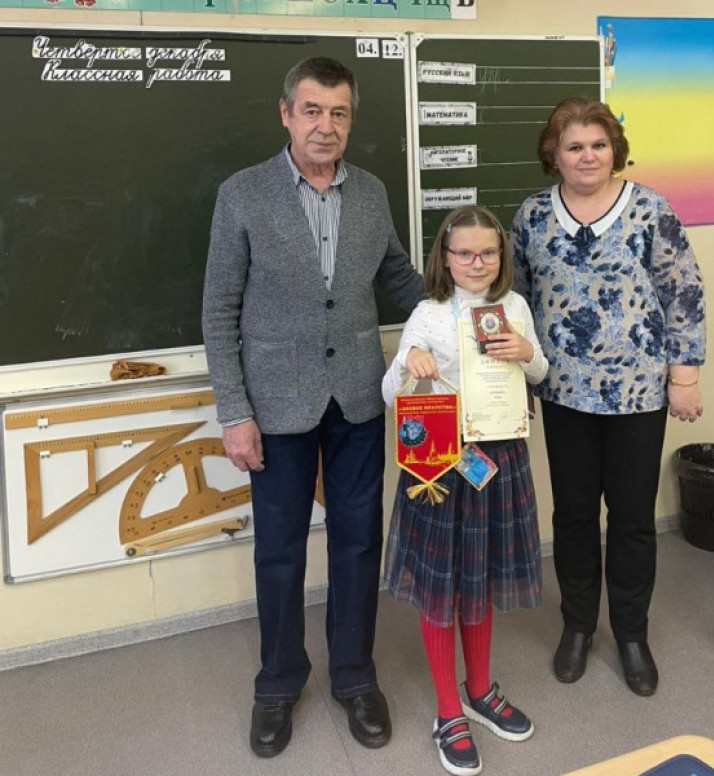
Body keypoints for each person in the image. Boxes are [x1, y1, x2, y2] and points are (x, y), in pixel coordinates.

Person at [202, 56, 424, 758]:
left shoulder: (372, 192)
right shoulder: (243, 194)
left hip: (357, 396)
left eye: (338, 113)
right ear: (286, 114)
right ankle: (277, 682)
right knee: (279, 549)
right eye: (311, 111)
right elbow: (219, 309)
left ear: (350, 120)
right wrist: (234, 413)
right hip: (275, 404)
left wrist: (468, 314)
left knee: (359, 540)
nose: (325, 126)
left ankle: (355, 676)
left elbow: (397, 277)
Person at [510, 97, 706, 697]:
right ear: (554, 154)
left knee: (632, 518)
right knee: (572, 516)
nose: (587, 156)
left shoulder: (650, 209)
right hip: (563, 392)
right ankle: (577, 626)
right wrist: (514, 383)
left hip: (639, 394)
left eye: (598, 144)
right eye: (574, 146)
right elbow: (515, 302)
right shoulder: (532, 216)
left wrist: (684, 377)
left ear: (614, 150)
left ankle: (630, 633)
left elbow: (683, 291)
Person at [382, 206, 549, 776]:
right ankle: (448, 710)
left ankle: (479, 690)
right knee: (441, 585)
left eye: (488, 253)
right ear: (445, 258)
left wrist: (527, 354)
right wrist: (410, 361)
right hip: (439, 464)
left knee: (478, 577)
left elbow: (540, 373)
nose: (477, 263)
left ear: (501, 256)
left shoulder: (515, 307)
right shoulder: (427, 313)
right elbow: (390, 392)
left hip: (498, 458)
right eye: (465, 253)